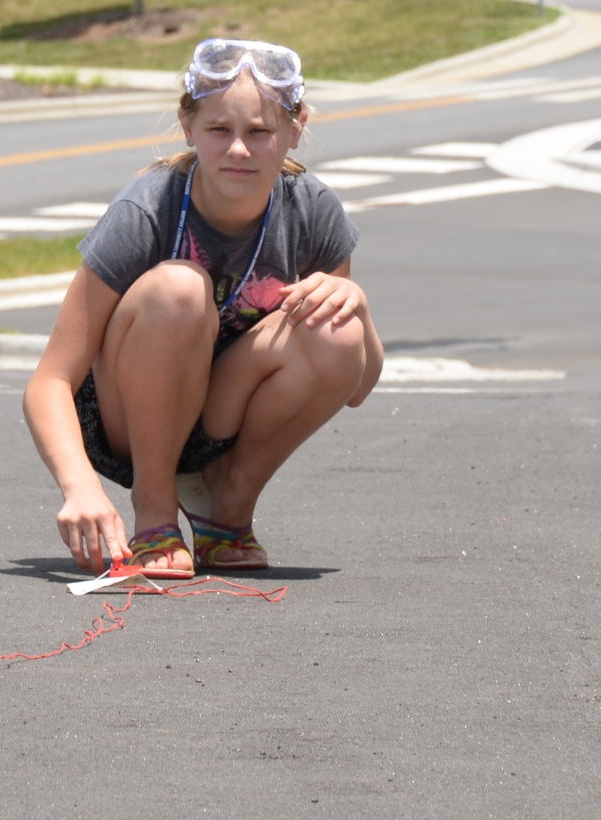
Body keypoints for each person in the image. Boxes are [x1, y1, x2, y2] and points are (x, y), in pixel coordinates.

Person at [23, 38, 384, 579]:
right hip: (127, 420)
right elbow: (49, 381)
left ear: (295, 128)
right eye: (219, 130)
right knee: (180, 290)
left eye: (259, 132)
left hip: (221, 414)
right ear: (188, 127)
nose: (238, 149)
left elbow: (356, 384)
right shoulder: (147, 208)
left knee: (336, 330)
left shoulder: (312, 211)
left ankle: (227, 510)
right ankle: (155, 515)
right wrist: (80, 488)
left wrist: (358, 310)